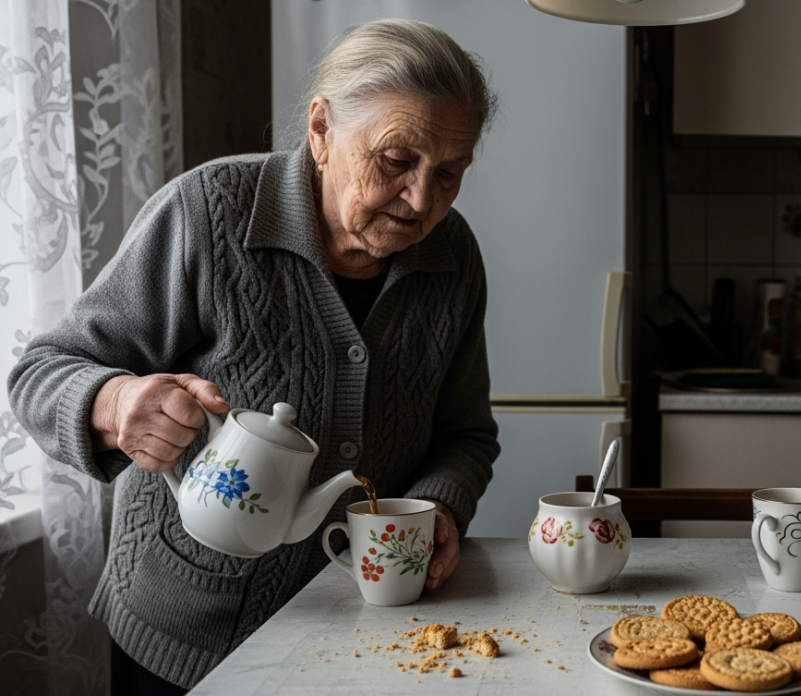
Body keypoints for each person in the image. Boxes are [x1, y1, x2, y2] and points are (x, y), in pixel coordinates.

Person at [6, 19, 501, 694]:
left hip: (368, 634)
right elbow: (42, 371)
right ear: (321, 130)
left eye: (450, 173)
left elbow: (464, 434)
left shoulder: (454, 257)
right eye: (395, 161)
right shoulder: (209, 213)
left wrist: (437, 507)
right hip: (187, 635)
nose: (422, 201)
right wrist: (115, 401)